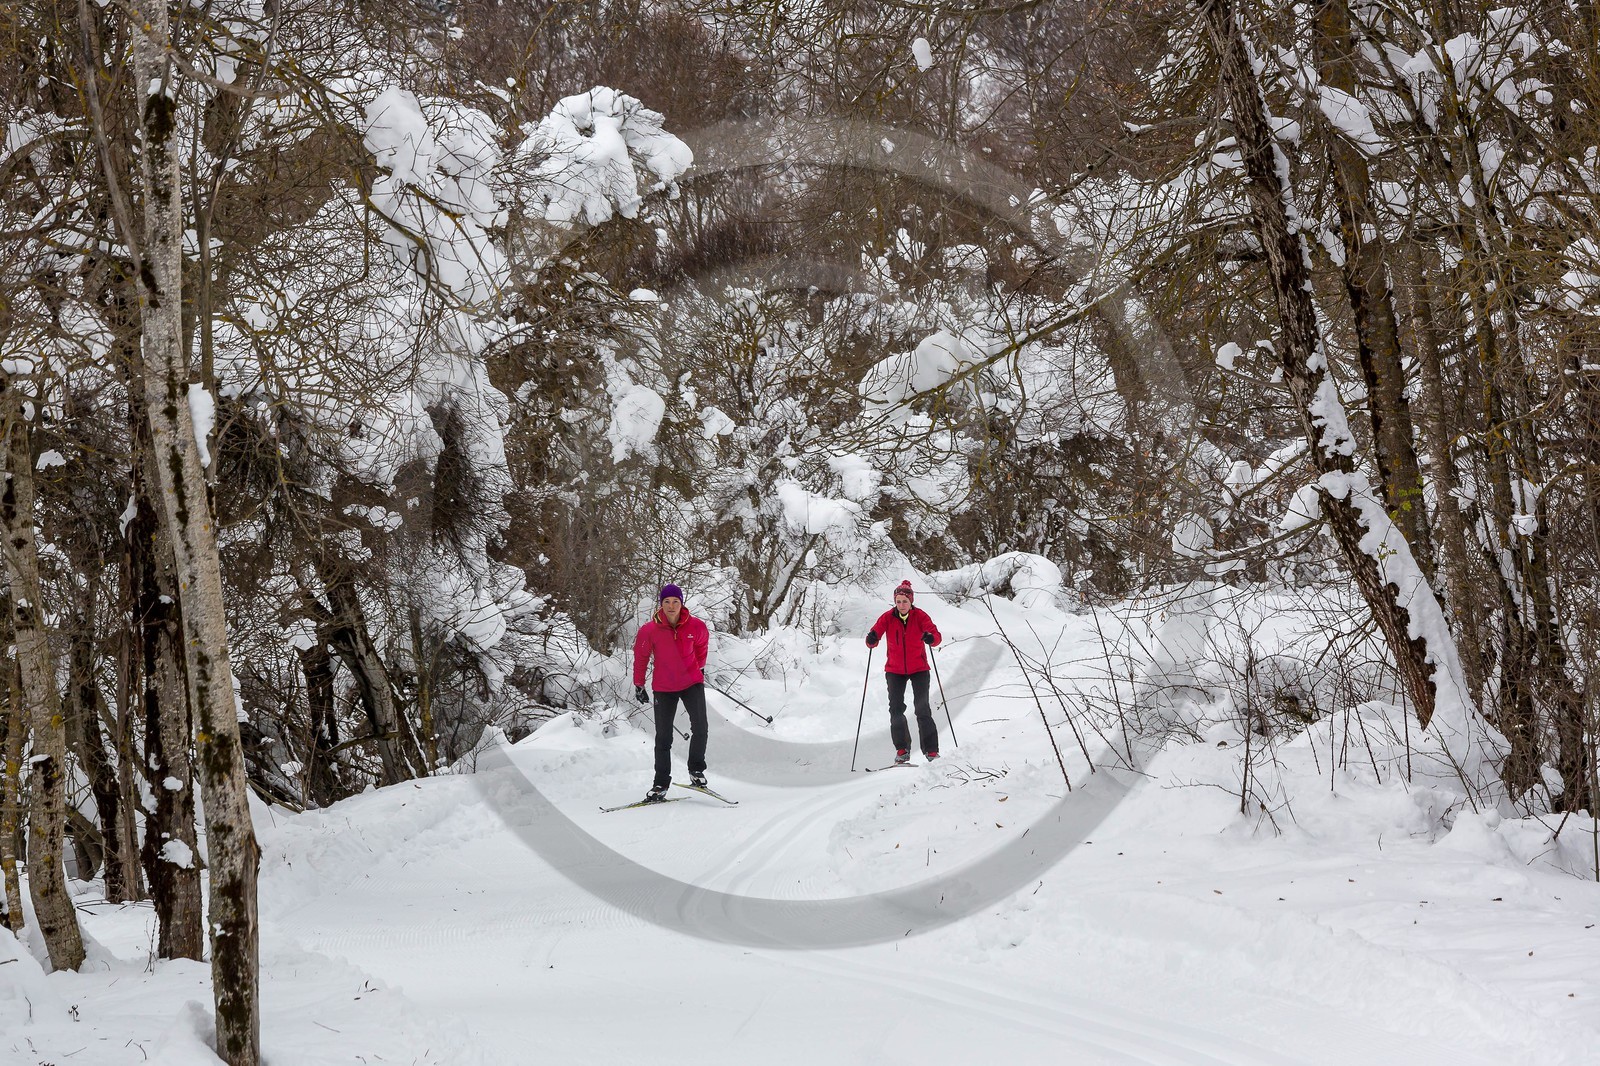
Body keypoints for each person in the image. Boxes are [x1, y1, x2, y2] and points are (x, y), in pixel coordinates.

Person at [633, 583, 711, 802]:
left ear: (681, 603)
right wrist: (639, 684)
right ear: (661, 604)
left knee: (701, 728)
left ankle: (696, 770)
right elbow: (641, 657)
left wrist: (700, 667)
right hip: (664, 687)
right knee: (663, 737)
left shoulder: (696, 626)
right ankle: (660, 783)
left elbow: (702, 647)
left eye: (675, 601)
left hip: (691, 683)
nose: (671, 606)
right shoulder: (649, 630)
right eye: (666, 601)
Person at [865, 579, 942, 764]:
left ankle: (931, 751)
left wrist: (931, 638)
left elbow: (936, 636)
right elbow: (873, 637)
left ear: (911, 601)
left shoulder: (920, 616)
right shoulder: (887, 617)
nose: (901, 605)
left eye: (905, 601)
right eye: (898, 601)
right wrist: (872, 638)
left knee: (922, 709)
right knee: (896, 710)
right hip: (895, 670)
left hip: (919, 668)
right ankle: (902, 749)